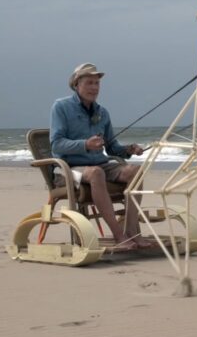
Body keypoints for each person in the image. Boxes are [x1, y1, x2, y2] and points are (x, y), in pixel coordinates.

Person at [50, 62, 154, 250]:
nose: (94, 87)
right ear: (76, 84)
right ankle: (118, 235)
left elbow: (112, 147)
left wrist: (128, 149)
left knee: (135, 171)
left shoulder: (102, 112)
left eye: (97, 83)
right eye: (89, 82)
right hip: (67, 169)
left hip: (99, 164)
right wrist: (85, 145)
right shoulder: (61, 107)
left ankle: (132, 230)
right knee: (96, 172)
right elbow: (56, 144)